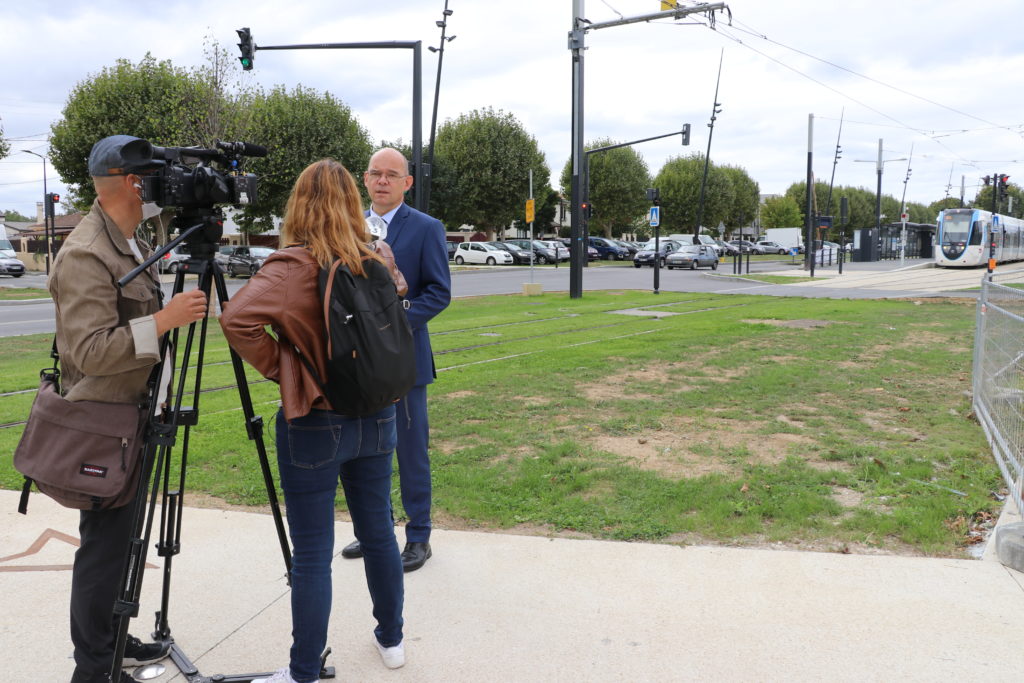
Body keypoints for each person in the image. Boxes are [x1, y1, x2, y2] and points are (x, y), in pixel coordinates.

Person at [220, 159, 408, 683]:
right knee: (379, 533)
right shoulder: (378, 251)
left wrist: (286, 367)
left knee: (311, 555)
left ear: (297, 205)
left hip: (315, 421)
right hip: (378, 412)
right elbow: (398, 297)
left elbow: (236, 319)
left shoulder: (289, 266)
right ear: (353, 198)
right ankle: (391, 638)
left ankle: (303, 671)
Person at [51, 135, 209, 683]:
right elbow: (89, 351)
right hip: (104, 424)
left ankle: (114, 639)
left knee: (123, 544)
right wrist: (165, 321)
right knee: (104, 549)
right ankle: (94, 668)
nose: (161, 185)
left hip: (135, 416)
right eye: (153, 176)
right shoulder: (86, 252)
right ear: (130, 182)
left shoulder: (130, 240)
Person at [340, 147, 451, 572]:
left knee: (409, 450)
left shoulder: (426, 228)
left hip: (405, 361)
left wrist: (392, 321)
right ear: (364, 180)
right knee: (364, 449)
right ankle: (376, 533)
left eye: (392, 175)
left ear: (407, 183)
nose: (382, 181)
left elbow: (438, 293)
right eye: (374, 174)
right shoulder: (347, 227)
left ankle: (418, 536)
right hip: (355, 362)